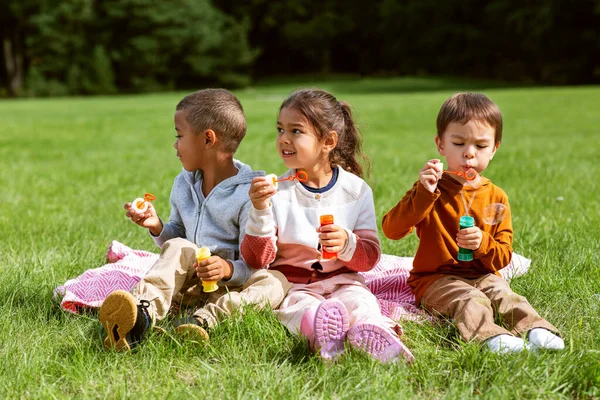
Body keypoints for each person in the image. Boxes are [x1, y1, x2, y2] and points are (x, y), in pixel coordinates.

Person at [99, 89, 291, 351]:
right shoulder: (183, 183)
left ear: (208, 139)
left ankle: (203, 322)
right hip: (187, 287)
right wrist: (156, 225)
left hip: (229, 291)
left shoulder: (249, 194)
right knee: (180, 246)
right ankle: (140, 317)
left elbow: (254, 264)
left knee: (276, 281)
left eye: (179, 136)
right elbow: (177, 239)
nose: (175, 145)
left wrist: (227, 269)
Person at [240, 89, 414, 363]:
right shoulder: (277, 193)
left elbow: (369, 258)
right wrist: (260, 210)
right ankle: (324, 337)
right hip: (296, 286)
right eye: (280, 129)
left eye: (296, 131)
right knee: (301, 310)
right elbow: (255, 259)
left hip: (345, 281)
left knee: (362, 302)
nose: (283, 138)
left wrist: (348, 244)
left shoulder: (356, 191)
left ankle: (375, 334)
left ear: (328, 141)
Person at [382, 92, 564, 353]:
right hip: (435, 279)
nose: (469, 154)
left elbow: (502, 256)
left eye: (480, 146)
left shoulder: (496, 196)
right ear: (441, 145)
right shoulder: (430, 190)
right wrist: (423, 193)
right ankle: (491, 339)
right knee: (470, 299)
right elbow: (392, 229)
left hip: (482, 274)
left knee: (505, 295)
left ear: (494, 149)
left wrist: (482, 244)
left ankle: (537, 330)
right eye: (458, 143)